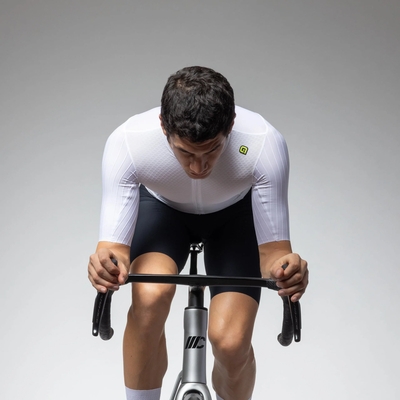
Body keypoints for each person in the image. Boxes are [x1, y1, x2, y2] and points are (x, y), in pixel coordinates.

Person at [88, 66, 308, 400]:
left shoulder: (262, 142)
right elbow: (114, 250)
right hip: (163, 214)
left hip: (233, 220)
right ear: (163, 127)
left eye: (212, 151)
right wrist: (106, 264)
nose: (198, 167)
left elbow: (274, 256)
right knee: (149, 299)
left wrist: (286, 271)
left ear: (231, 126)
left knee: (231, 342)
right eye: (185, 152)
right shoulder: (130, 141)